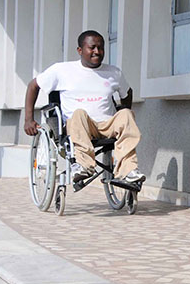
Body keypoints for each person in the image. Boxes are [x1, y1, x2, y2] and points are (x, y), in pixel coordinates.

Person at [23, 31, 145, 186]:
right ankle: (84, 166)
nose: (97, 52)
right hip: (81, 125)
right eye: (92, 48)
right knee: (79, 113)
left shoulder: (113, 72)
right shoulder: (61, 70)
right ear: (80, 50)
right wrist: (28, 119)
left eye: (101, 48)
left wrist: (123, 111)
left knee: (126, 114)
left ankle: (128, 170)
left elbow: (127, 92)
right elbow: (33, 86)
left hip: (107, 124)